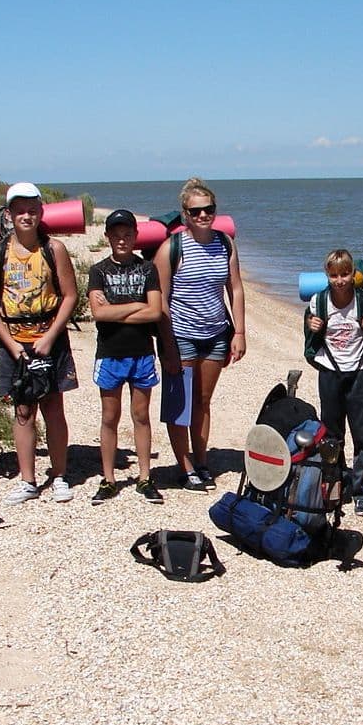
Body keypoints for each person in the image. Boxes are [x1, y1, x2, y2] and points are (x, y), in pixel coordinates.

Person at [0, 182, 79, 505]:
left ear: (41, 212)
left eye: (32, 209)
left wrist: (50, 336)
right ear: (8, 214)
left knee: (53, 406)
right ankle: (28, 479)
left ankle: (60, 474)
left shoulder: (54, 249)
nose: (26, 215)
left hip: (51, 338)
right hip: (15, 340)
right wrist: (10, 343)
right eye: (19, 210)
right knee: (23, 410)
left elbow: (70, 296)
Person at [154, 177, 245, 491]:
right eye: (196, 212)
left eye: (208, 209)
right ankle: (185, 466)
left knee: (203, 402)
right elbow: (160, 301)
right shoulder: (171, 248)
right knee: (181, 402)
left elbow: (235, 288)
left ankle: (202, 461)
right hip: (180, 336)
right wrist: (167, 344)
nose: (203, 216)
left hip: (217, 334)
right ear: (184, 215)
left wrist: (240, 332)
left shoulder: (225, 243)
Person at [87, 209, 164, 505]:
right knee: (110, 416)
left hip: (141, 352)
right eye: (116, 235)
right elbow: (98, 313)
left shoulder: (147, 269)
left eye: (127, 234)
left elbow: (155, 312)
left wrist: (116, 311)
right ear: (107, 237)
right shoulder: (98, 270)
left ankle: (145, 477)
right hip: (110, 353)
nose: (122, 240)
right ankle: (108, 479)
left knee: (141, 415)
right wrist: (136, 305)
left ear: (135, 236)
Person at [305, 249, 363, 516]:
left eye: (345, 274)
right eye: (334, 275)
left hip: (359, 372)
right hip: (329, 371)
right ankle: (334, 487)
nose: (340, 280)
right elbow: (309, 321)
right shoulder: (319, 301)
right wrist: (311, 324)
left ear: (354, 274)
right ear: (327, 275)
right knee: (331, 436)